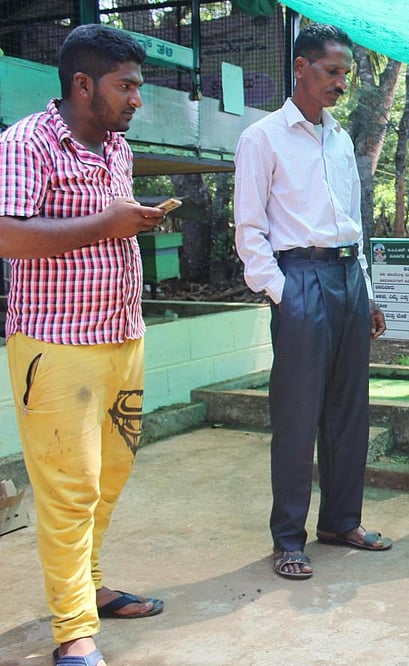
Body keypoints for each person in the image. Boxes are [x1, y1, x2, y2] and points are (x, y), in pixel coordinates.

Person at [0, 24, 166, 666]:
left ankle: (89, 589)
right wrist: (112, 223)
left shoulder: (115, 148)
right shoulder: (26, 144)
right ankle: (72, 631)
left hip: (123, 336)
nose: (135, 100)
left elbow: (104, 227)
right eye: (125, 87)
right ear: (83, 84)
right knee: (70, 487)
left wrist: (132, 221)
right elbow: (9, 236)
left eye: (138, 87)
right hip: (55, 345)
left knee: (110, 476)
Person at [234, 23, 392, 581]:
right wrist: (283, 294)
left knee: (350, 409)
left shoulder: (340, 138)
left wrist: (366, 289)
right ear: (300, 67)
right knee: (298, 417)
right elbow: (249, 231)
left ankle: (341, 521)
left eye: (345, 74)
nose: (340, 84)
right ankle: (288, 538)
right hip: (298, 279)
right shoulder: (263, 138)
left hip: (348, 277)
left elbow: (354, 222)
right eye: (331, 72)